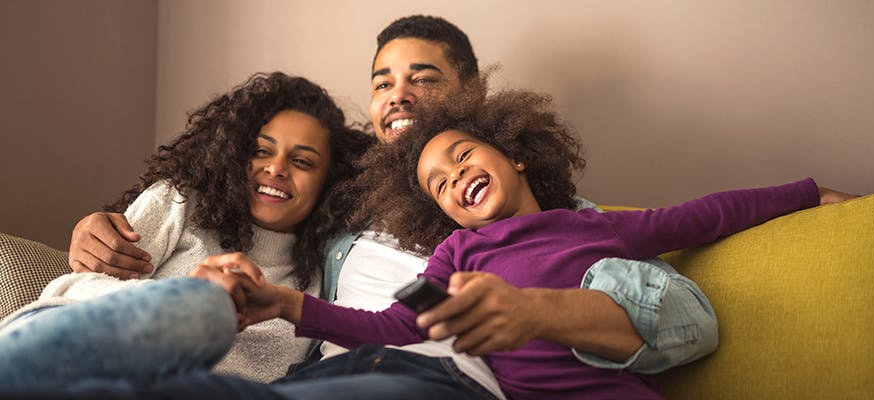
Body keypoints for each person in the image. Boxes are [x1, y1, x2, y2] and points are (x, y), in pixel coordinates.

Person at [58, 15, 723, 398]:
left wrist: (532, 311)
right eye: (382, 83)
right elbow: (237, 176)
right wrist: (101, 221)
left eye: (423, 79)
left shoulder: (537, 213)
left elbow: (687, 324)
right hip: (335, 373)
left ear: (472, 95)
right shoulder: (340, 190)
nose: (397, 96)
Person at [216, 88, 859, 400]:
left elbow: (708, 214)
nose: (455, 177)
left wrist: (809, 192)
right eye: (437, 184)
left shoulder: (590, 226)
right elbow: (391, 324)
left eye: (463, 156)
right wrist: (285, 304)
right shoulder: (458, 258)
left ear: (516, 156)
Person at [0, 72, 373, 389]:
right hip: (64, 347)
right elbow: (72, 287)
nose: (275, 168)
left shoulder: (321, 274)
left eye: (302, 161)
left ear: (330, 182)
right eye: (261, 151)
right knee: (207, 305)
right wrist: (190, 300)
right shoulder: (183, 201)